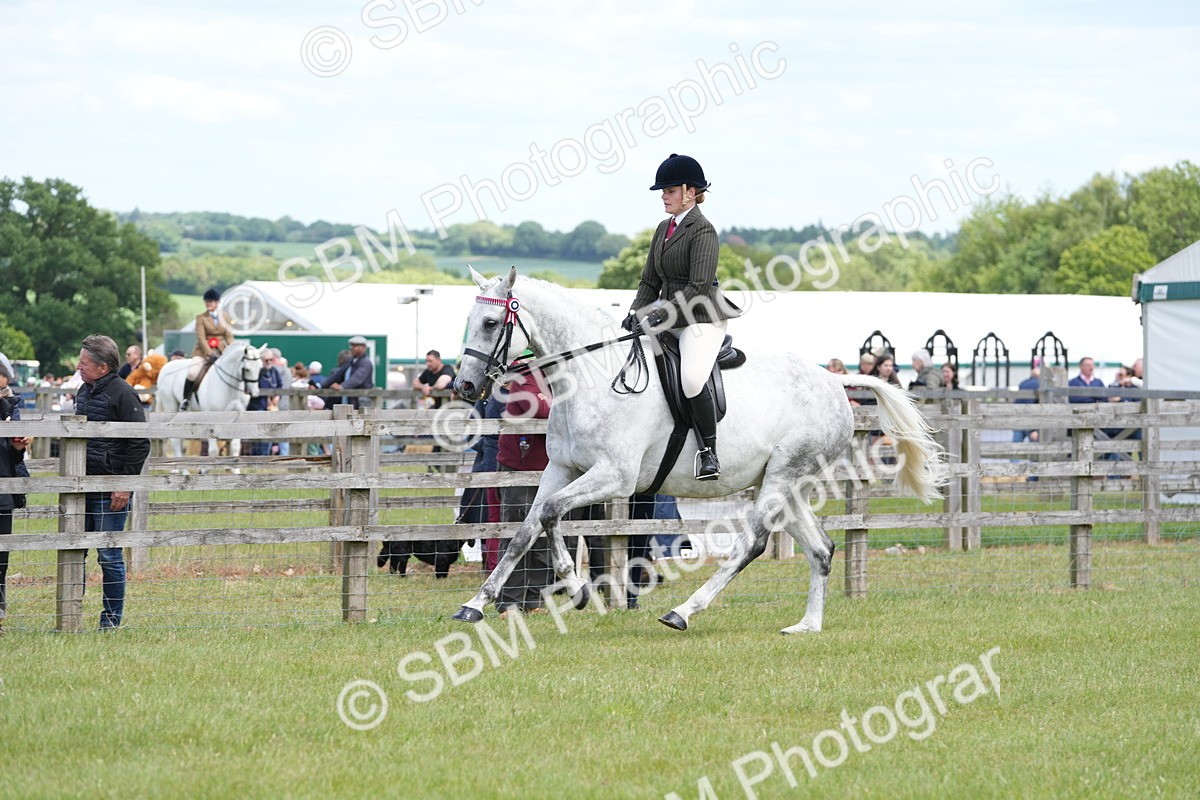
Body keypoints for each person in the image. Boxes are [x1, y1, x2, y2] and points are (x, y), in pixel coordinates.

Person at [622, 153, 741, 480]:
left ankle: (709, 452)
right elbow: (650, 280)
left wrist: (659, 314)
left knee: (690, 378)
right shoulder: (663, 228)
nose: (663, 196)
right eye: (663, 191)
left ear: (690, 192)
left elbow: (698, 286)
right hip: (666, 315)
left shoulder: (703, 230)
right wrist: (635, 312)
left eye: (670, 190)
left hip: (700, 318)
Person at [74, 334, 151, 630]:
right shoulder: (83, 391)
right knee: (74, 550)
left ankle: (110, 621)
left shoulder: (124, 394)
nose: (79, 366)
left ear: (103, 367)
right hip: (80, 486)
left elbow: (139, 442)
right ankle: (71, 617)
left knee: (108, 554)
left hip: (110, 490)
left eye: (84, 362)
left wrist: (124, 485)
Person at [0, 378, 29, 635]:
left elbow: (13, 458)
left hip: (3, 492)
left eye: (2, 388)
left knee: (1, 560)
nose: (1, 393)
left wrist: (19, 446)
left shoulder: (9, 408)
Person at [182, 287, 236, 410]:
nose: (208, 304)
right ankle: (186, 399)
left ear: (217, 302)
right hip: (202, 352)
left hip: (221, 352)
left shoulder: (225, 317)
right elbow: (201, 337)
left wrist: (232, 349)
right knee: (192, 373)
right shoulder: (201, 318)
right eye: (206, 301)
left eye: (210, 301)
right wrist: (209, 353)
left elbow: (229, 336)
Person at [322, 335, 375, 409]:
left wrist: (342, 386)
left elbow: (357, 378)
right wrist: (319, 385)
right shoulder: (350, 361)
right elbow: (337, 375)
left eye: (355, 346)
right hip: (349, 399)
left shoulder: (366, 362)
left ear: (363, 347)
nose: (352, 348)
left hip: (361, 401)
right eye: (351, 345)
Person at [248, 348, 282, 456]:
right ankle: (257, 459)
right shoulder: (257, 371)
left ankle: (265, 457)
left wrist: (278, 396)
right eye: (266, 360)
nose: (269, 362)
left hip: (271, 409)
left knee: (269, 436)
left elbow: (280, 386)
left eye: (271, 359)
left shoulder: (274, 371)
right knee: (259, 437)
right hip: (257, 407)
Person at [1013, 360, 1041, 444]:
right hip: (1031, 419)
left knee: (1016, 445)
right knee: (1035, 445)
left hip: (1018, 417)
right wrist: (1034, 429)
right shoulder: (1039, 385)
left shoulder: (1022, 383)